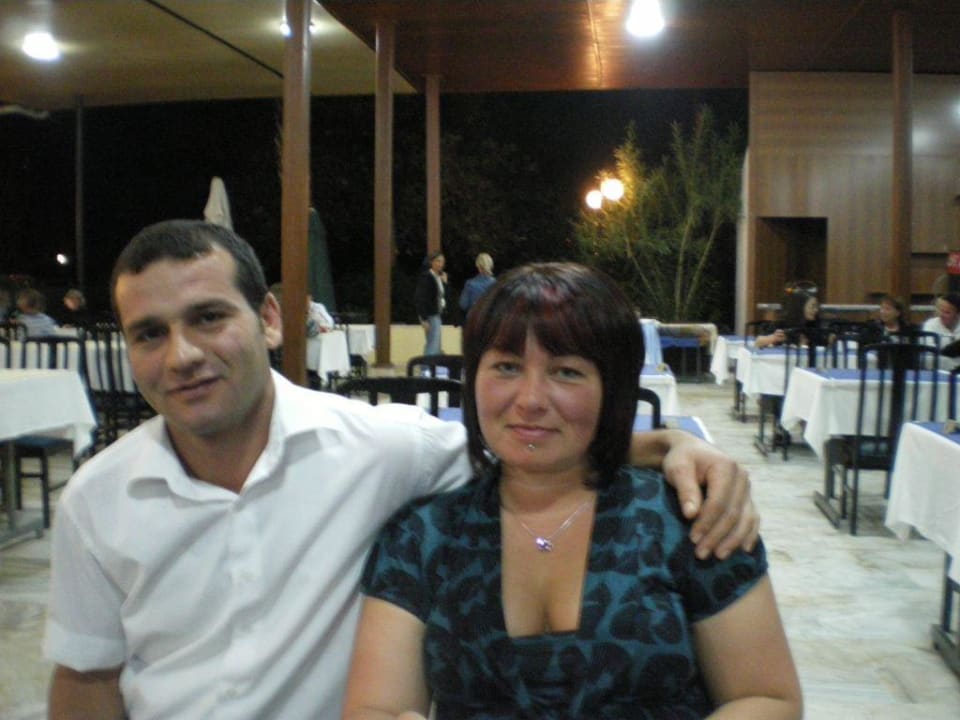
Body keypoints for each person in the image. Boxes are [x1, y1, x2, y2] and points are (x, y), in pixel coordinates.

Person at [44, 221, 759, 720]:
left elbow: (531, 443)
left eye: (208, 318)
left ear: (269, 318)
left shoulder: (376, 446)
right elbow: (86, 678)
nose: (182, 355)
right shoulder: (96, 498)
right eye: (150, 333)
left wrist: (670, 446)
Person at [343, 262, 801, 720]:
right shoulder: (423, 537)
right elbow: (375, 707)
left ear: (612, 390)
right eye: (506, 366)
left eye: (566, 372)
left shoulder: (686, 519)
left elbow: (767, 698)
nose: (530, 399)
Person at [754, 288, 821, 348]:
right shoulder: (781, 324)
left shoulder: (816, 326)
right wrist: (774, 338)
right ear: (800, 307)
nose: (816, 310)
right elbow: (758, 342)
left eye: (816, 306)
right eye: (812, 306)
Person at [415, 251, 447, 355]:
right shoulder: (427, 277)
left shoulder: (439, 277)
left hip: (437, 313)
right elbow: (421, 298)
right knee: (433, 344)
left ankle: (429, 363)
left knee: (434, 343)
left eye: (442, 261)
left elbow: (443, 295)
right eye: (438, 261)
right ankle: (427, 364)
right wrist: (423, 318)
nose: (440, 264)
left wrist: (445, 283)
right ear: (431, 262)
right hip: (430, 314)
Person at [922, 292, 960, 369]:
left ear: (958, 314)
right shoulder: (930, 325)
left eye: (947, 312)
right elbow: (929, 354)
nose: (941, 315)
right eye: (941, 311)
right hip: (937, 370)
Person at [458, 252, 496, 319]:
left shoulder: (470, 284)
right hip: (490, 319)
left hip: (474, 318)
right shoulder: (496, 284)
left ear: (478, 266)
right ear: (491, 265)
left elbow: (463, 305)